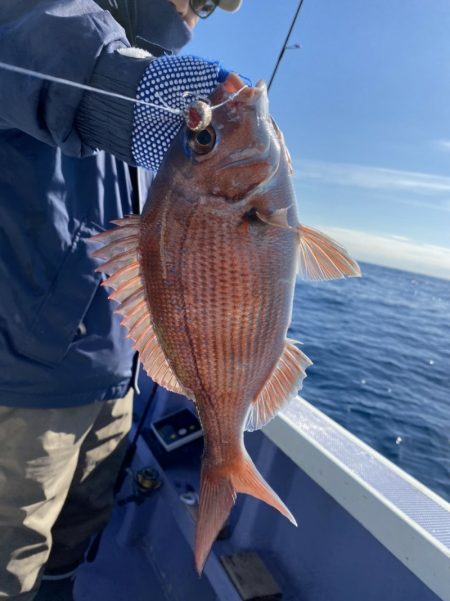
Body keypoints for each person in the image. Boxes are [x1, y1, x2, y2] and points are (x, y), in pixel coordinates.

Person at [0, 1, 243, 599]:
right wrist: (141, 86)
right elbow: (54, 51)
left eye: (211, 5)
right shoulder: (48, 23)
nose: (200, 11)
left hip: (118, 379)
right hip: (26, 387)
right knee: (11, 562)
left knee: (73, 546)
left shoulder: (148, 80)